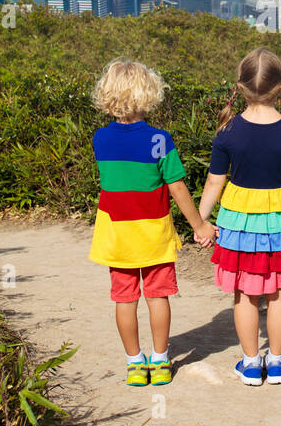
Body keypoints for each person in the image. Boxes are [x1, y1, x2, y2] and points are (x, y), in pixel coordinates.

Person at [89, 59, 215, 386]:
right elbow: (176, 187)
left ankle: (134, 363)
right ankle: (159, 361)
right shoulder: (159, 140)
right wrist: (200, 226)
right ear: (149, 94)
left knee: (124, 299)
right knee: (157, 297)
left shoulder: (101, 139)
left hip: (116, 234)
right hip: (153, 233)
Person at [198, 47, 281, 386]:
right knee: (280, 291)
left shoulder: (228, 130)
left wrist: (202, 221)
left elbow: (214, 180)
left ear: (239, 87)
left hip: (239, 220)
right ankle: (277, 363)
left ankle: (251, 363)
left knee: (245, 293)